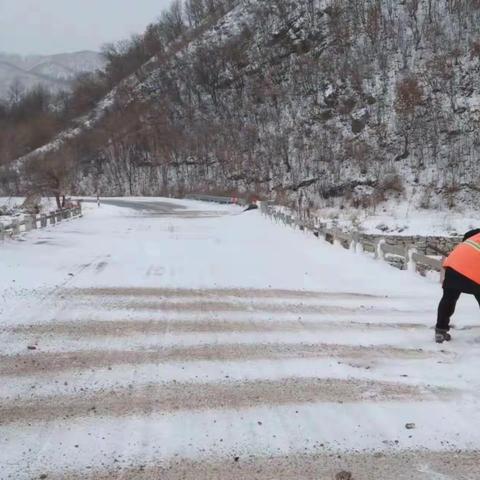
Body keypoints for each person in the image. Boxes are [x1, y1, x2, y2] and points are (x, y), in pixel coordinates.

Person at [436, 228, 480, 343]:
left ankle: (440, 331)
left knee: (449, 298)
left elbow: (467, 235)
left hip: (454, 263)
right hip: (473, 269)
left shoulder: (477, 233)